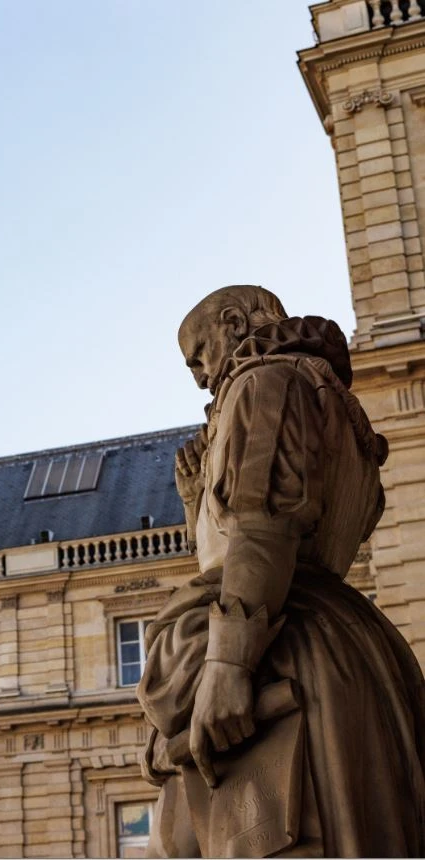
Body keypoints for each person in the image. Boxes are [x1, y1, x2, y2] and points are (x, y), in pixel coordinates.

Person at [138, 285, 425, 856]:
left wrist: (228, 663)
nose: (198, 377)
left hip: (273, 643)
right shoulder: (340, 411)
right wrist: (200, 502)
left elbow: (264, 526)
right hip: (334, 639)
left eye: (198, 355)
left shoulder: (264, 382)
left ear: (234, 320)